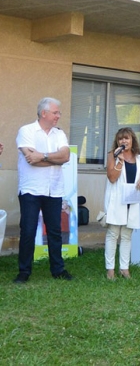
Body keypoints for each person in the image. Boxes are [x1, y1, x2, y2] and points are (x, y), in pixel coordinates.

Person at [14, 97, 72, 283]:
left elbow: (66, 156)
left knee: (55, 231)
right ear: (44, 113)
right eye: (55, 112)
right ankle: (24, 272)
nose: (58, 116)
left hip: (54, 190)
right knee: (28, 231)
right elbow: (31, 160)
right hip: (31, 189)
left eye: (58, 113)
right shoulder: (27, 131)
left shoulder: (59, 134)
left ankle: (58, 270)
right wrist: (52, 159)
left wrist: (44, 156)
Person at [103, 127, 140, 280]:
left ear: (132, 140)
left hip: (132, 201)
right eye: (120, 139)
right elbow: (112, 177)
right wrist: (119, 160)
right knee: (113, 234)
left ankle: (124, 269)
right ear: (117, 141)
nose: (123, 141)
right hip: (116, 200)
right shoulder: (112, 156)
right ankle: (110, 270)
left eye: (126, 138)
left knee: (127, 236)